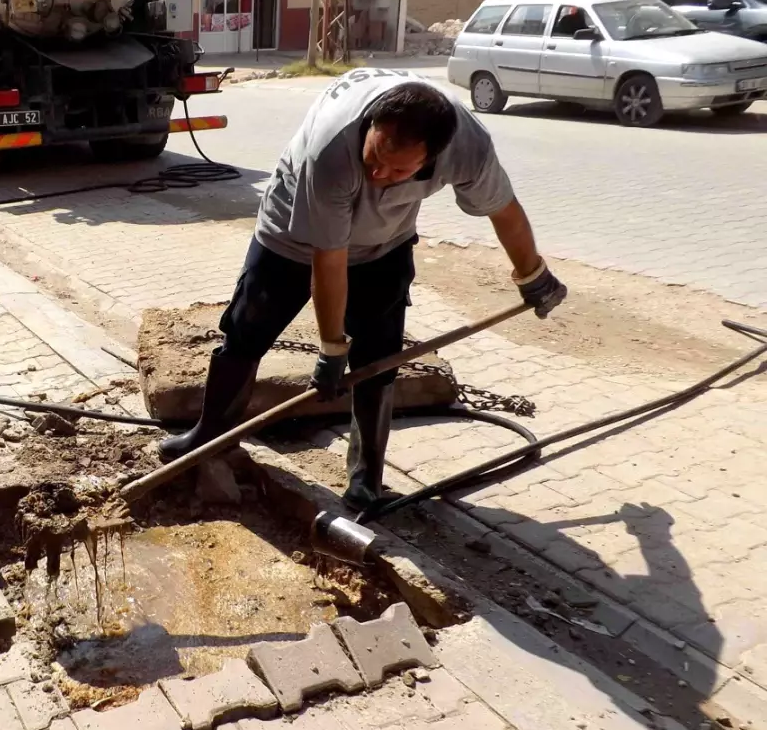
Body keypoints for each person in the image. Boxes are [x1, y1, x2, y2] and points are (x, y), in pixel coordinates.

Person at [158, 72, 567, 515]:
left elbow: (503, 210)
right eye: (375, 158)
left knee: (378, 359)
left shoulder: (467, 147)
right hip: (291, 236)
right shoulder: (332, 149)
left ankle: (365, 481)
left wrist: (532, 274)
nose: (379, 175)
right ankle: (210, 436)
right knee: (246, 332)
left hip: (384, 244)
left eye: (399, 170)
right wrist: (331, 347)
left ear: (432, 158)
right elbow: (329, 259)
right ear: (370, 124)